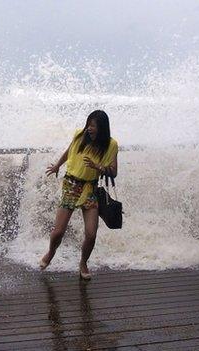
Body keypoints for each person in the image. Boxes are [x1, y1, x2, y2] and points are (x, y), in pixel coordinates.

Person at [39, 110, 118, 280]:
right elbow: (69, 151)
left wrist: (98, 167)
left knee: (91, 234)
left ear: (102, 128)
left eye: (93, 126)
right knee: (58, 231)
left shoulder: (111, 145)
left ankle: (83, 262)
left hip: (90, 188)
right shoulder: (79, 135)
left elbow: (114, 172)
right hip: (71, 185)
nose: (89, 128)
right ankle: (51, 252)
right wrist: (58, 165)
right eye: (88, 124)